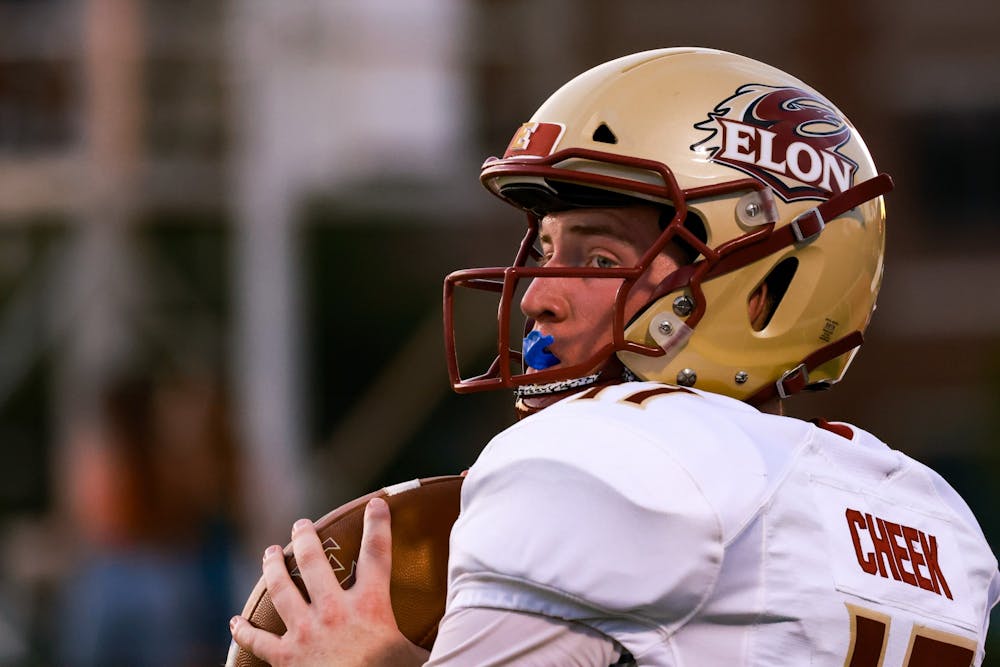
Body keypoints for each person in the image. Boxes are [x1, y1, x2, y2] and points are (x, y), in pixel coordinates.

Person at [229, 47, 1000, 665]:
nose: (536, 296)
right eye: (543, 248)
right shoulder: (934, 523)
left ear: (763, 286)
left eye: (599, 260)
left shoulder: (603, 456)